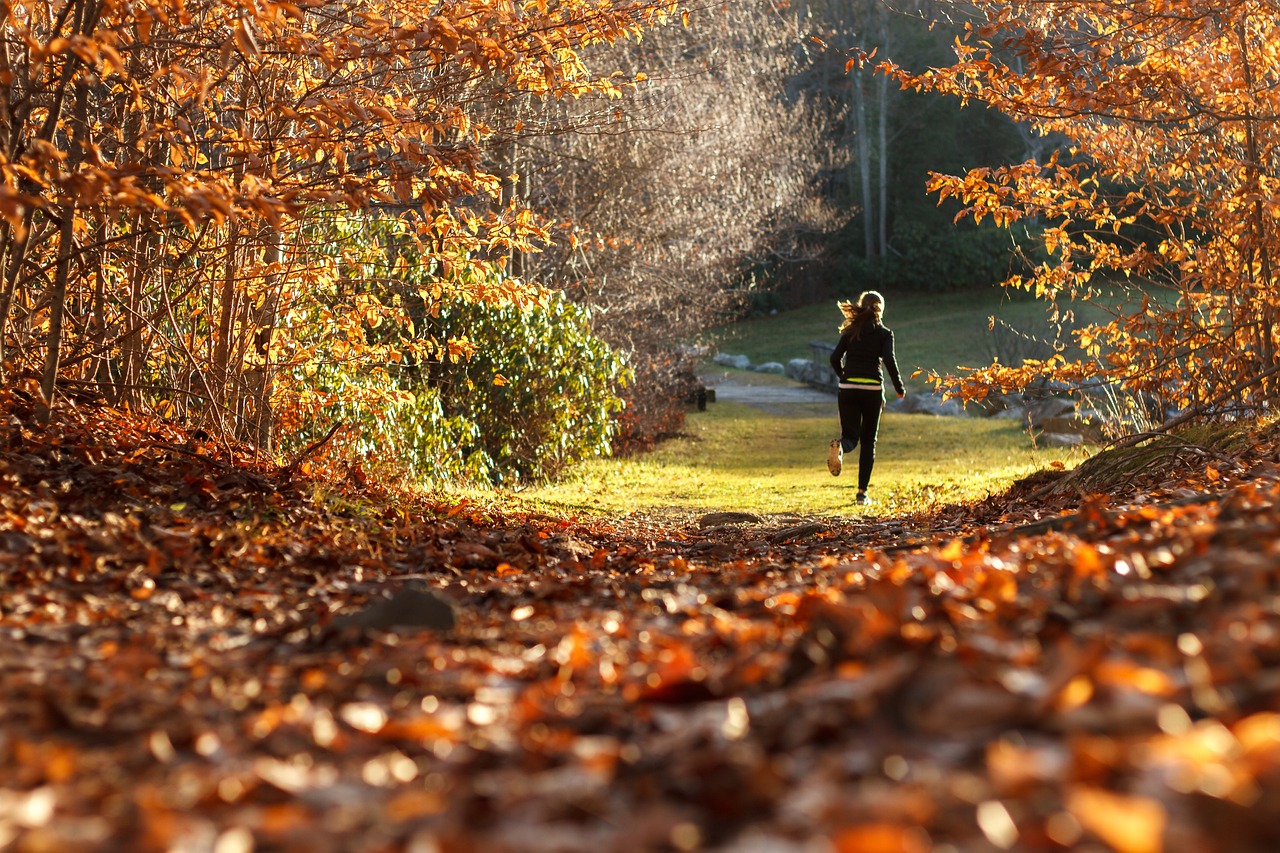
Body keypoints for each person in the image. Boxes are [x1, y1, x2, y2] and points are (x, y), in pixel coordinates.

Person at [826, 290, 905, 505]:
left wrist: (844, 376)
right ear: (881, 309)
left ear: (862, 306)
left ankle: (840, 447)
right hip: (872, 391)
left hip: (848, 388)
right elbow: (889, 360)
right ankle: (862, 494)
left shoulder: (851, 331)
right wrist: (899, 387)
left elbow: (834, 358)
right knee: (868, 441)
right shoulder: (884, 334)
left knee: (850, 437)